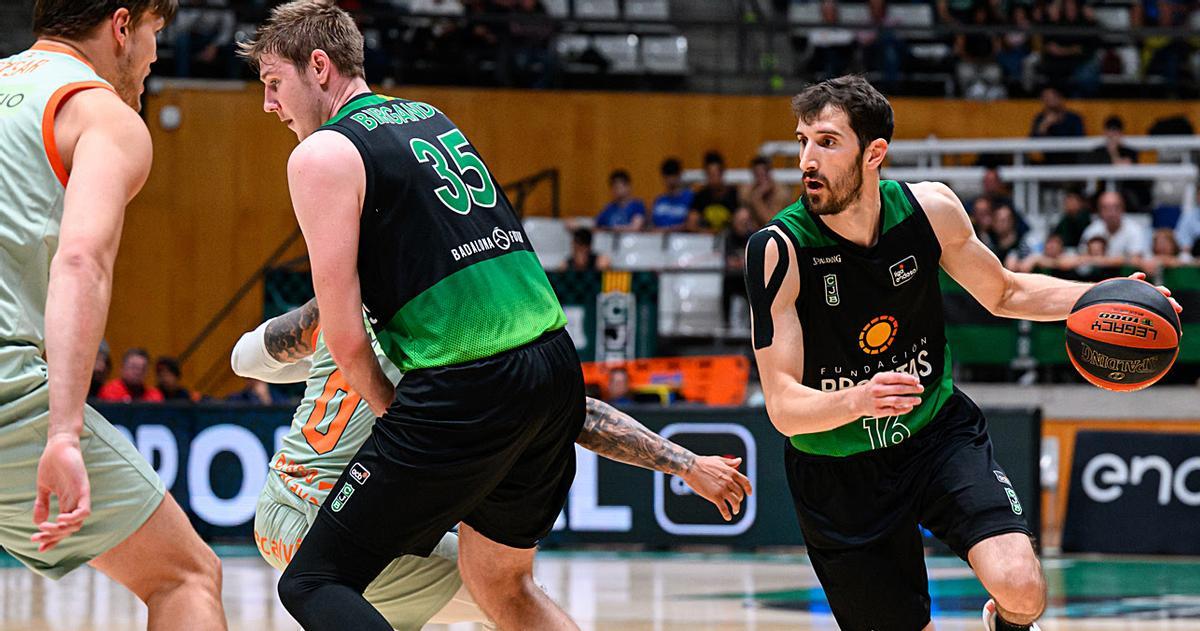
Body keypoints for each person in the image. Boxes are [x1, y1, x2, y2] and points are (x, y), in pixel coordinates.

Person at [744, 75, 1180, 631]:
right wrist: (861, 399)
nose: (808, 158)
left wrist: (1108, 297)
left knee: (1023, 588)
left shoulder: (931, 212)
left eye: (827, 142)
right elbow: (782, 405)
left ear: (874, 153)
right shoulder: (779, 250)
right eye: (802, 140)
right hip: (837, 471)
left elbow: (1005, 292)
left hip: (934, 434)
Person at [239, 3, 592, 628]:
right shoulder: (431, 118)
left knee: (315, 580)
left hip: (468, 384)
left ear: (318, 67)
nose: (268, 104)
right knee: (503, 589)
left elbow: (346, 339)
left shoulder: (322, 153)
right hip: (556, 367)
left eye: (273, 82)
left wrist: (393, 419)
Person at [230, 299, 751, 629]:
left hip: (281, 505)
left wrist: (327, 362)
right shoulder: (445, 328)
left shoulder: (331, 310)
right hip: (328, 516)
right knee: (511, 601)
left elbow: (243, 359)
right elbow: (573, 412)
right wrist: (684, 463)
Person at [0, 1, 225, 628]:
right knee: (184, 575)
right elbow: (81, 261)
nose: (155, 55)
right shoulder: (100, 114)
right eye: (155, 33)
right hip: (6, 391)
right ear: (122, 27)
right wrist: (64, 433)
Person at [1080, 190, 1150, 264]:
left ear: (1123, 209)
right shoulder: (1092, 230)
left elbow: (1136, 259)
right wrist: (1123, 259)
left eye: (1115, 207)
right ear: (1099, 211)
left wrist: (1102, 260)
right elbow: (1082, 258)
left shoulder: (1135, 230)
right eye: (1106, 208)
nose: (1111, 213)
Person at [689, 150, 738, 232]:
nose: (713, 179)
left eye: (715, 175)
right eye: (710, 175)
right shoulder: (701, 196)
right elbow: (691, 223)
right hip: (706, 239)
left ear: (722, 173)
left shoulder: (734, 194)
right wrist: (708, 232)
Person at [739, 156, 794, 226]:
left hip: (778, 230)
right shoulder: (747, 190)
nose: (761, 179)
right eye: (758, 175)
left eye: (763, 175)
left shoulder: (780, 193)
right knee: (742, 214)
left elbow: (772, 222)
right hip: (754, 230)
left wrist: (757, 198)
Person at [97, 348, 164, 403]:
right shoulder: (110, 391)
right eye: (133, 367)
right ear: (122, 368)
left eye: (143, 368)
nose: (138, 372)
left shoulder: (154, 395)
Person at [650, 157, 693, 231]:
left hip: (682, 239)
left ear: (679, 176)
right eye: (667, 176)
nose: (670, 180)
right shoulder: (659, 201)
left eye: (673, 175)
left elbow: (691, 225)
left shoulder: (690, 198)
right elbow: (651, 225)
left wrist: (667, 230)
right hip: (658, 239)